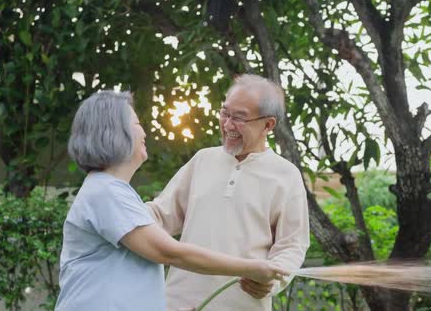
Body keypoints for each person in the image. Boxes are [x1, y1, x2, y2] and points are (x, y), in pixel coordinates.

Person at [55, 90, 288, 311]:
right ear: (114, 132)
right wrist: (252, 267)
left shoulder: (113, 192)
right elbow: (170, 253)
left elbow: (121, 277)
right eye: (137, 125)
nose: (144, 133)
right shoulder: (105, 192)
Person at [147, 74, 310, 311]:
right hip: (179, 304)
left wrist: (272, 280)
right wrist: (120, 210)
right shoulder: (203, 160)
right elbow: (161, 216)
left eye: (239, 118)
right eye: (225, 113)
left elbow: (292, 245)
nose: (227, 125)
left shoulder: (286, 176)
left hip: (243, 304)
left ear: (268, 125)